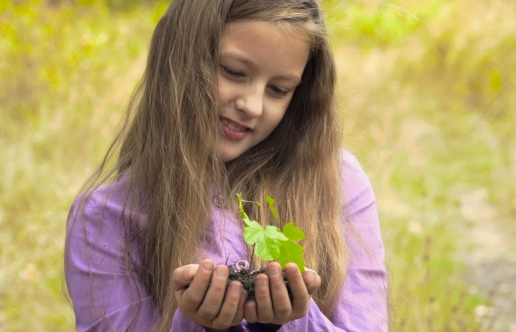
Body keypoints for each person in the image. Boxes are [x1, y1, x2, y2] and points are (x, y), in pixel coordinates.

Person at [64, 0, 388, 331]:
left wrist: (290, 319)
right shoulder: (105, 218)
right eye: (233, 71)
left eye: (278, 89)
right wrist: (194, 324)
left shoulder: (338, 181)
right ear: (177, 60)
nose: (252, 105)